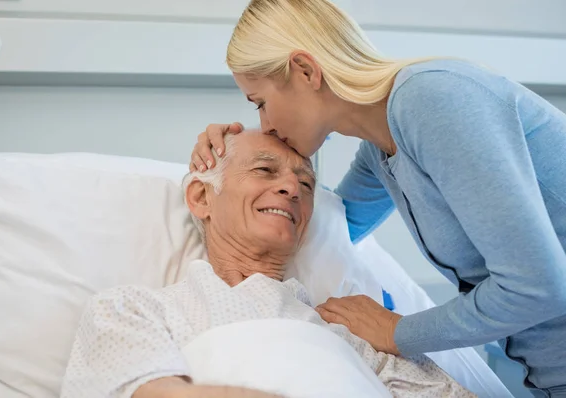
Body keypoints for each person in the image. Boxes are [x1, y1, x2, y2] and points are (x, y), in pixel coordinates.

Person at [189, 0, 566, 395]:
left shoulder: (432, 99)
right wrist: (228, 156)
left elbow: (538, 286)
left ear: (304, 71)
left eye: (260, 103)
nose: (265, 123)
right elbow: (326, 227)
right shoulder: (380, 149)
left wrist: (397, 331)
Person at [60, 132, 473, 398]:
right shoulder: (133, 310)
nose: (292, 188)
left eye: (306, 184)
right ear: (202, 199)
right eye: (263, 169)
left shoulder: (352, 328)